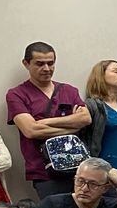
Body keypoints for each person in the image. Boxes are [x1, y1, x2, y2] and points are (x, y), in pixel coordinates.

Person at [6, 41, 91, 199]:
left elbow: (85, 118)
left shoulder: (69, 91)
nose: (46, 69)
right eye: (39, 64)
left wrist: (45, 122)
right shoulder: (17, 94)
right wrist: (73, 127)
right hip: (44, 172)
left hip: (78, 169)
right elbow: (31, 131)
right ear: (26, 64)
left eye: (50, 63)